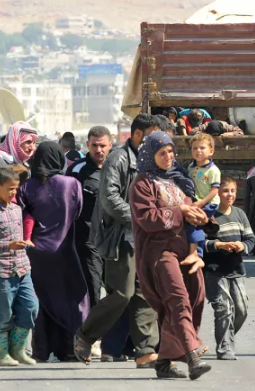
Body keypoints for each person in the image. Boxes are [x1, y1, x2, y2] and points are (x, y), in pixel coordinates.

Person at [74, 113, 160, 368]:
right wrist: (139, 218)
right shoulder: (119, 159)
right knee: (122, 293)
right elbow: (109, 198)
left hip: (144, 236)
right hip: (121, 236)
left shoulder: (150, 159)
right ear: (137, 134)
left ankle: (145, 350)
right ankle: (85, 335)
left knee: (145, 292)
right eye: (151, 135)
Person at [130, 131, 211, 380]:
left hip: (185, 251)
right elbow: (147, 218)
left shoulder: (178, 179)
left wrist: (202, 217)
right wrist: (181, 211)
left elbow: (191, 209)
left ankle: (164, 361)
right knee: (177, 300)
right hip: (159, 252)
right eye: (162, 153)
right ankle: (191, 356)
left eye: (171, 152)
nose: (168, 157)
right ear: (150, 155)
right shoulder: (142, 184)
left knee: (196, 297)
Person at [16, 141, 85, 362]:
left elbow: (21, 216)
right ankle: (70, 349)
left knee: (42, 301)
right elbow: (78, 211)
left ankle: (42, 350)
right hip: (64, 251)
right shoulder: (72, 184)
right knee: (69, 299)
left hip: (35, 253)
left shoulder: (26, 186)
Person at [0, 168, 39, 367]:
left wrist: (24, 242)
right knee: (2, 314)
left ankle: (18, 350)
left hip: (22, 268)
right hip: (1, 271)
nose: (14, 192)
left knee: (31, 307)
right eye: (10, 188)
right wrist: (8, 245)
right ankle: (1, 354)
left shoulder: (17, 209)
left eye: (16, 188)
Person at [203, 176, 254, 360]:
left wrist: (243, 246)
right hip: (214, 271)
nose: (229, 194)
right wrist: (219, 245)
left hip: (236, 269)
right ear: (217, 193)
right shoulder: (209, 215)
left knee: (241, 310)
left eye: (232, 191)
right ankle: (225, 348)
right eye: (225, 191)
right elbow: (200, 242)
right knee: (224, 308)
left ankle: (226, 338)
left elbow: (250, 239)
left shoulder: (240, 214)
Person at [65, 126, 113, 308]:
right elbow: (67, 204)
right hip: (87, 238)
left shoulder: (118, 167)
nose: (98, 150)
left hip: (114, 238)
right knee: (93, 287)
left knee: (118, 290)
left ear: (110, 145)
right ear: (87, 145)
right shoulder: (77, 170)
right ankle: (92, 324)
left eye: (102, 145)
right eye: (94, 145)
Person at [188, 133, 221, 255]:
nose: (198, 151)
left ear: (211, 151)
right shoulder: (191, 167)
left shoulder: (213, 170)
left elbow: (214, 191)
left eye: (202, 148)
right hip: (196, 202)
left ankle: (197, 253)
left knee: (194, 223)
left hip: (209, 203)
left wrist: (201, 203)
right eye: (195, 148)